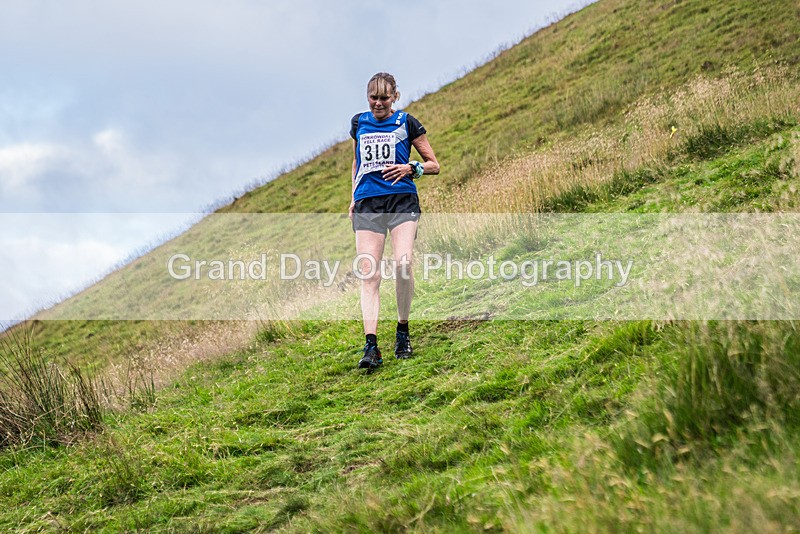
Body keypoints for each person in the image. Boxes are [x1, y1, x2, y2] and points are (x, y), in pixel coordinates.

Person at [349, 72, 440, 370]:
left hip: (401, 200)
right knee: (368, 273)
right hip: (368, 203)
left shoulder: (407, 122)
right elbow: (357, 161)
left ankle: (402, 330)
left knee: (402, 264)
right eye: (373, 97)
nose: (378, 103)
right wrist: (353, 196)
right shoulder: (358, 123)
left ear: (395, 97)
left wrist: (410, 167)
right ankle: (371, 345)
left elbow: (434, 165)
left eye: (384, 98)